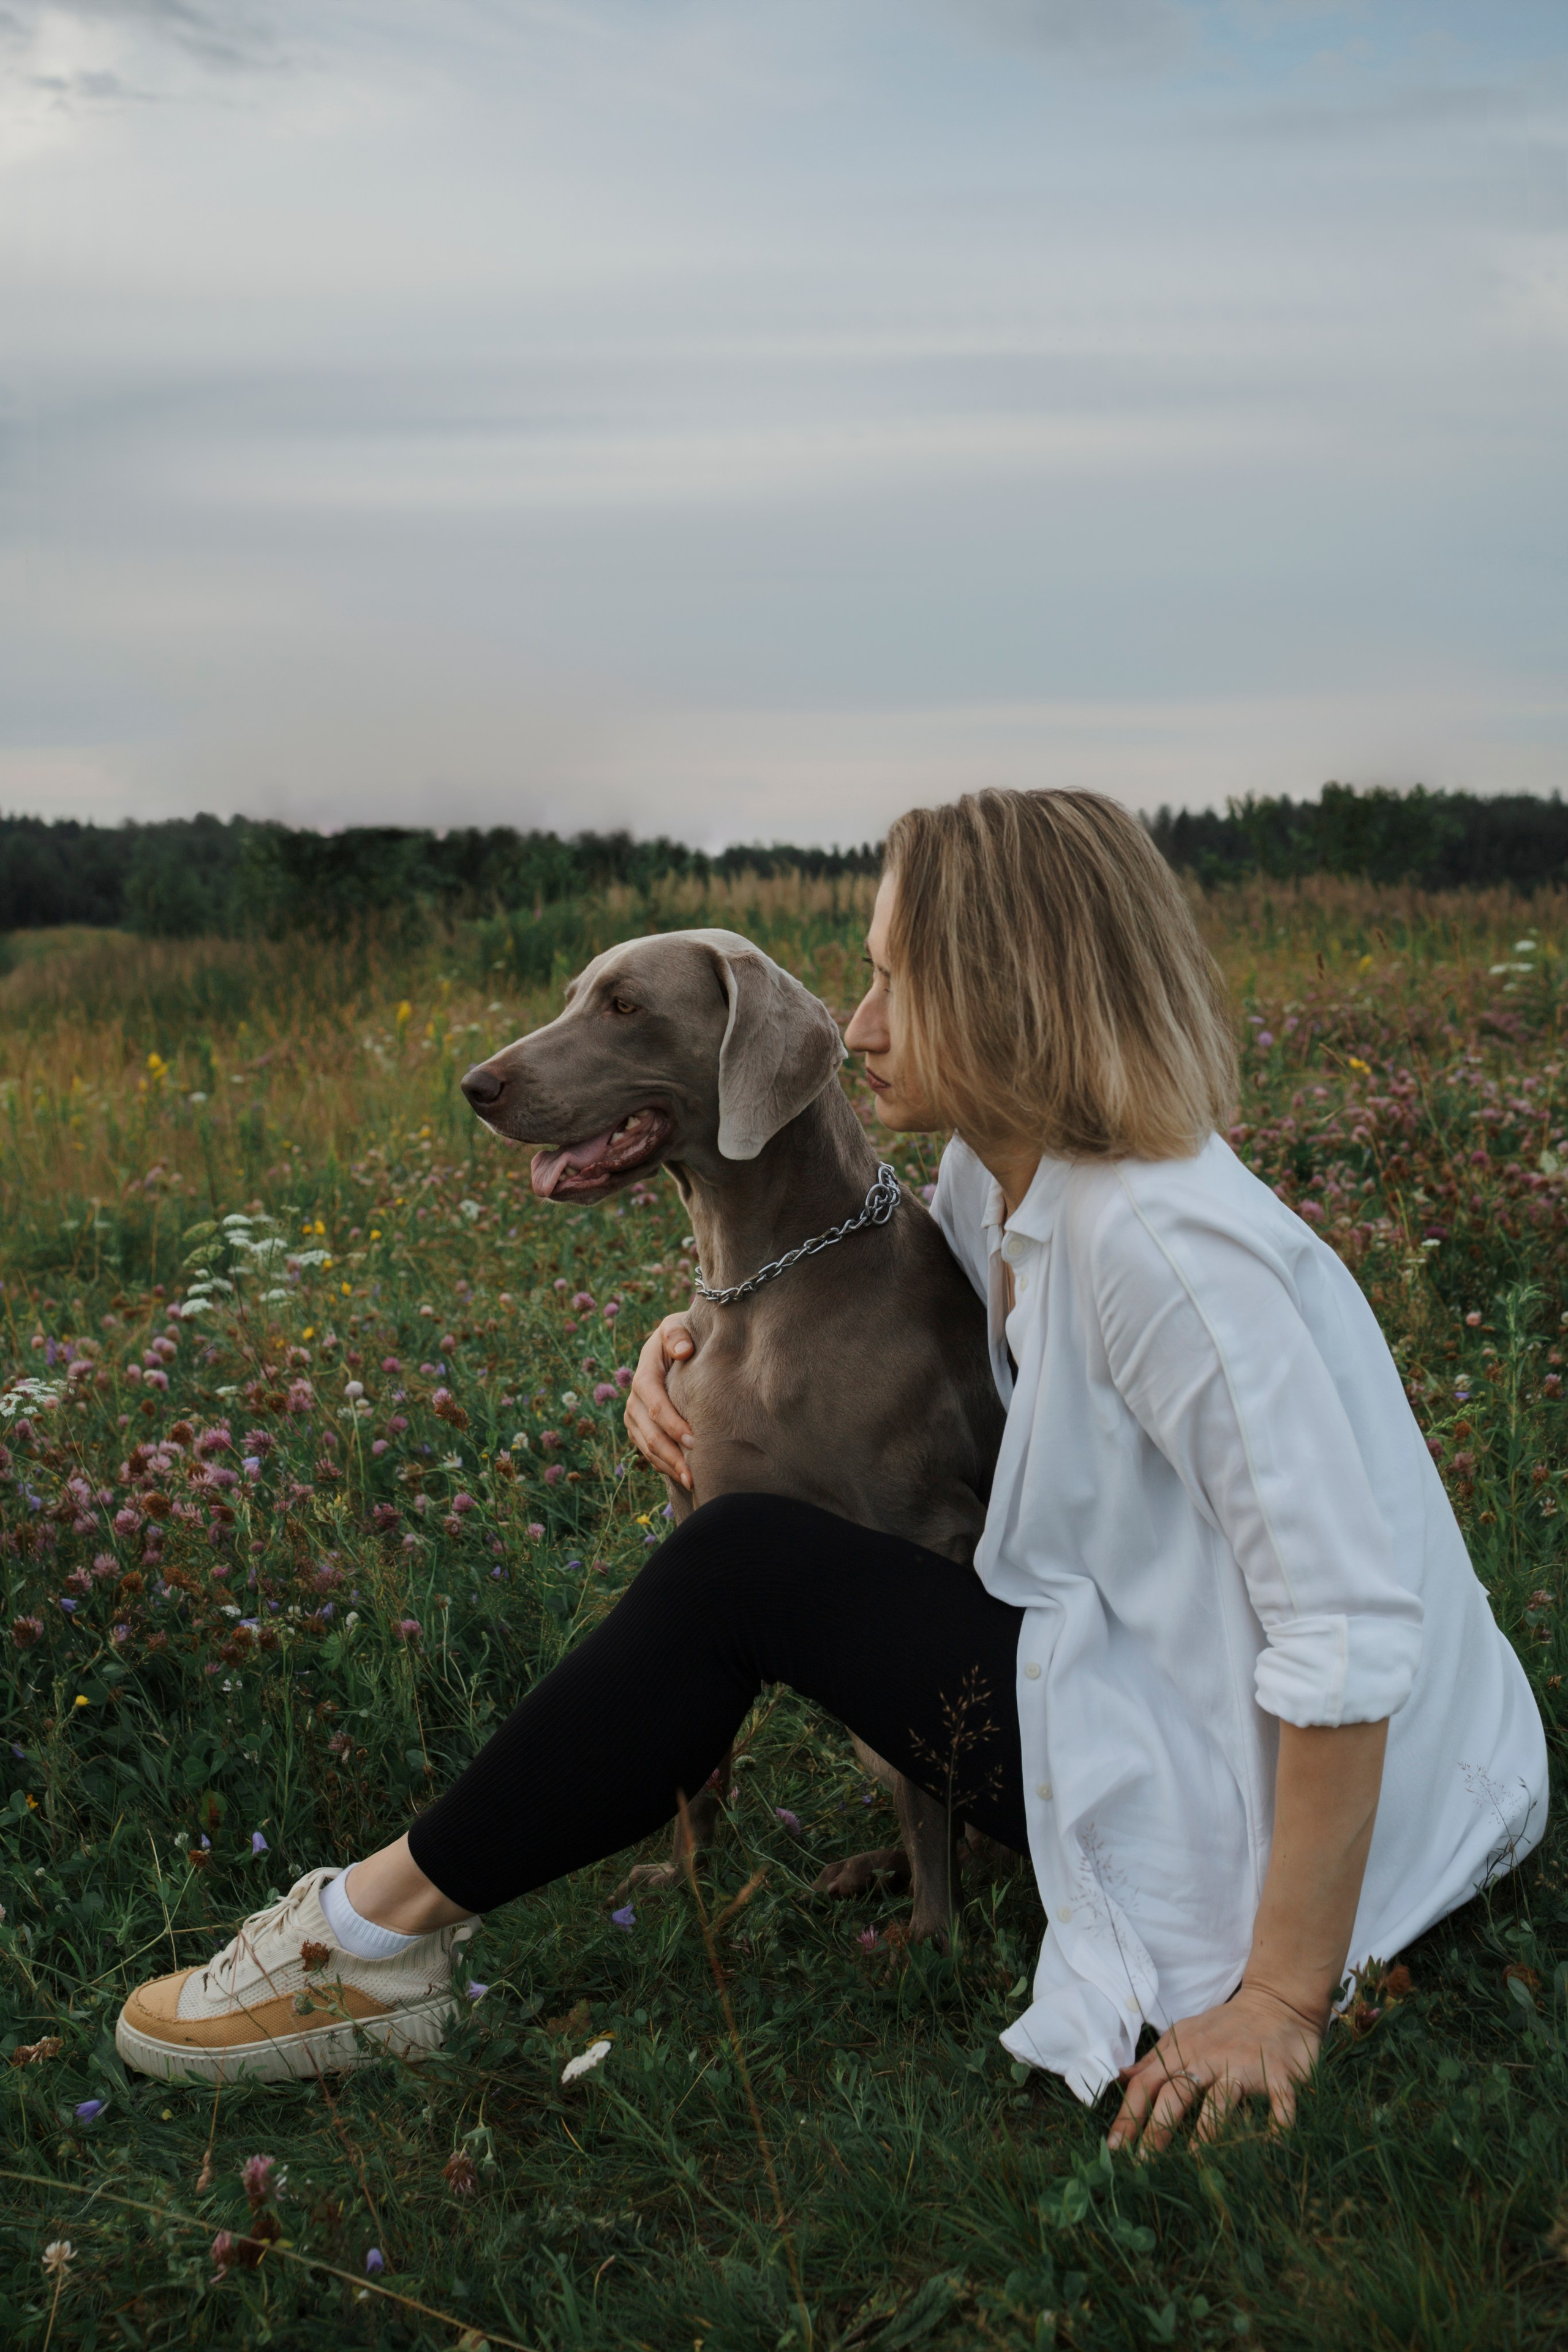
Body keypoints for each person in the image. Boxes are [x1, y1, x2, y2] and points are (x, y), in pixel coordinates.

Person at [116, 789, 1547, 2152]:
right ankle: (380, 1933)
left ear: (1008, 992)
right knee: (745, 1550)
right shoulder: (1008, 1179)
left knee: (740, 1564)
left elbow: (1346, 1633)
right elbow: (856, 1288)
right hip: (1132, 1692)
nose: (852, 1027)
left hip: (1287, 1799)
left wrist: (1281, 2001)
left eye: (886, 984)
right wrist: (683, 1335)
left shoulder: (1169, 1252)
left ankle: (365, 1942)